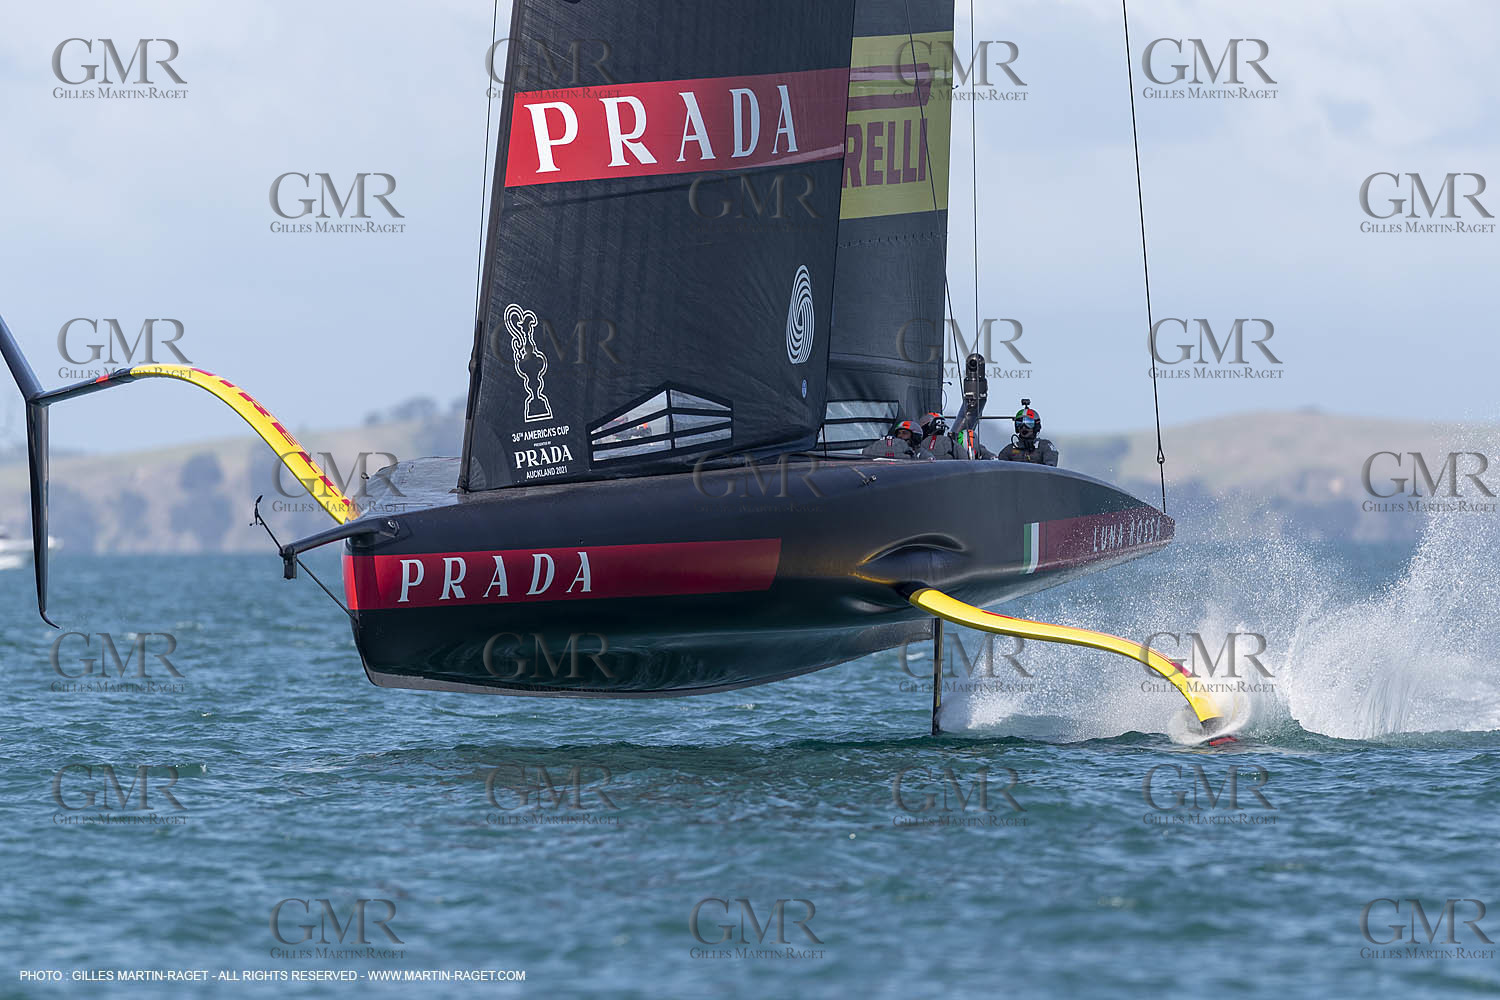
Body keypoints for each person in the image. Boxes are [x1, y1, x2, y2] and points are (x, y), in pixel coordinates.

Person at [997, 400, 1058, 466]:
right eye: (1019, 423)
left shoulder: (1045, 446)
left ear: (1036, 426)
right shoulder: (1009, 450)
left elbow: (1050, 470)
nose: (1024, 427)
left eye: (1029, 423)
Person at [861, 418, 930, 459]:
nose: (900, 436)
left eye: (904, 433)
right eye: (898, 433)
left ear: (915, 437)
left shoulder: (922, 454)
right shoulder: (894, 451)